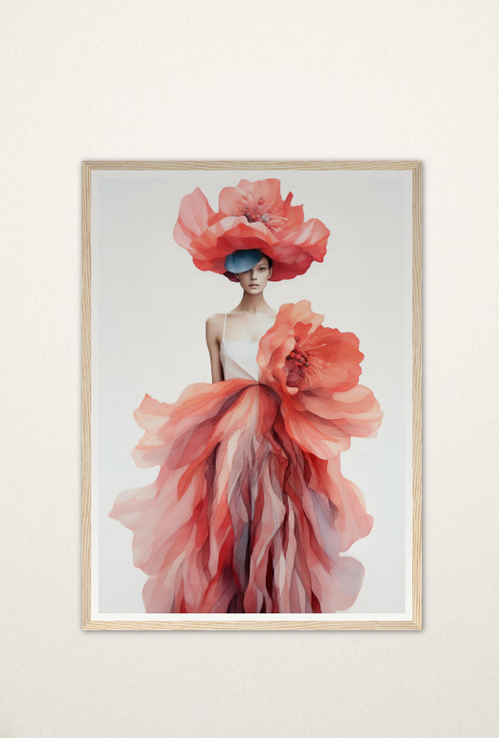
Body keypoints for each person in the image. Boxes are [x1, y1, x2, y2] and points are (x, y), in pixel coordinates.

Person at [110, 178, 381, 616]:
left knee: (280, 513)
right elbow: (215, 384)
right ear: (232, 272)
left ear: (271, 271)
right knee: (225, 515)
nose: (253, 277)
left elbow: (296, 383)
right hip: (229, 426)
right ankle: (232, 604)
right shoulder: (216, 323)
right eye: (245, 269)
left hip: (277, 429)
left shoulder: (288, 324)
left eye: (260, 269)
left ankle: (273, 603)